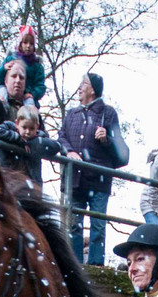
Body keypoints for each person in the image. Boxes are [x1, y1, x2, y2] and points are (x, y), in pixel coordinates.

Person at [59, 72, 122, 266]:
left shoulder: (108, 113)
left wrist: (107, 140)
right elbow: (61, 137)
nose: (79, 87)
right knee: (74, 225)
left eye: (83, 84)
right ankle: (74, 265)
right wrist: (68, 151)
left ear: (92, 89)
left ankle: (96, 266)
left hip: (99, 181)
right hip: (75, 179)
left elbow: (121, 151)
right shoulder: (72, 114)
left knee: (98, 225)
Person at [0, 111, 61, 185]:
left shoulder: (40, 136)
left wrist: (34, 143)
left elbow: (57, 146)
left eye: (32, 128)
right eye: (24, 127)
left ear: (37, 127)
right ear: (17, 124)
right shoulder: (8, 127)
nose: (28, 132)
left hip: (30, 183)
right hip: (7, 179)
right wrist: (20, 140)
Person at [0, 24, 43, 102]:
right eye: (25, 43)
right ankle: (0, 105)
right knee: (2, 91)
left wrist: (33, 94)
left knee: (29, 103)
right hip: (7, 90)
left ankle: (29, 112)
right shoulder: (10, 59)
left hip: (27, 94)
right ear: (20, 44)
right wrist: (3, 69)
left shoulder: (37, 66)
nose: (28, 46)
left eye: (31, 44)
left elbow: (40, 85)